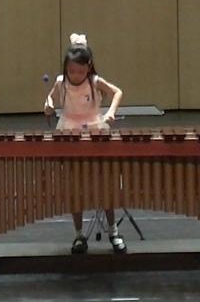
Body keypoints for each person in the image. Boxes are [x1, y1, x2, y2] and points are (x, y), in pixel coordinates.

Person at [42, 33, 126, 254]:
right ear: (66, 68)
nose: (75, 75)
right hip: (69, 132)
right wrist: (48, 106)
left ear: (88, 68)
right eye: (71, 71)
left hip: (95, 130)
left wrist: (111, 112)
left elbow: (117, 92)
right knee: (75, 186)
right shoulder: (60, 82)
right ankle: (79, 235)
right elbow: (49, 100)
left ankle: (113, 231)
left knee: (105, 185)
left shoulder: (94, 81)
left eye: (80, 71)